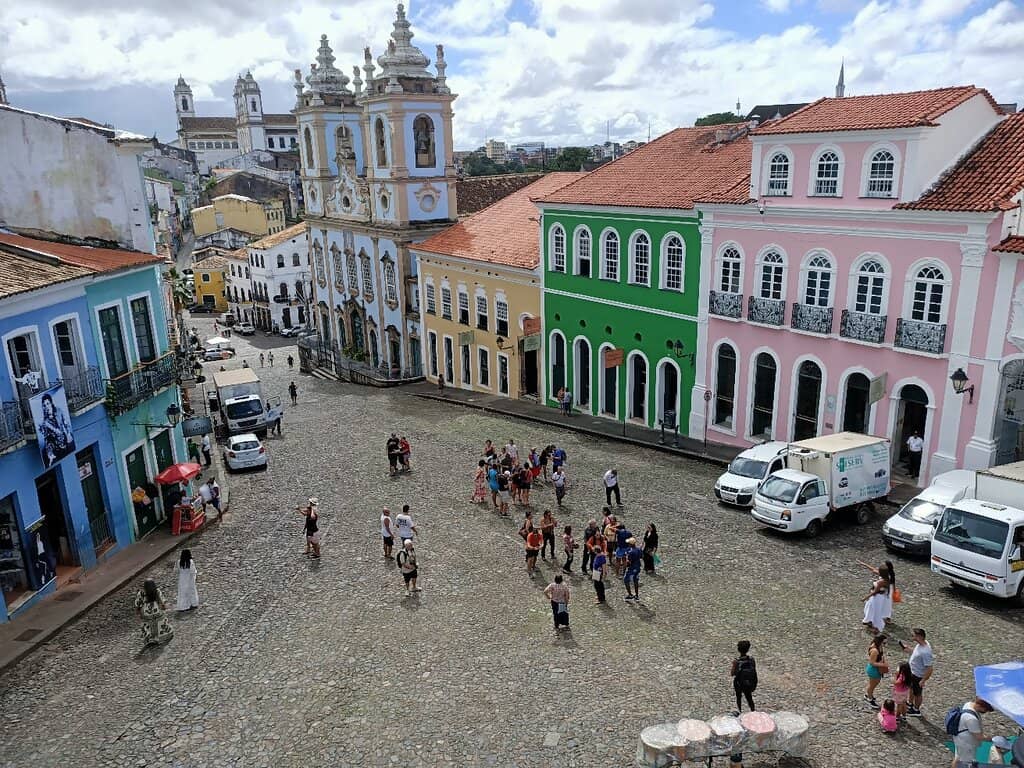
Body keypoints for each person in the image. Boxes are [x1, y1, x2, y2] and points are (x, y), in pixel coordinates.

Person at [898, 628, 933, 717]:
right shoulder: (921, 645)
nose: (912, 637)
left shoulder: (926, 652)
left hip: (918, 675)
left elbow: (929, 668)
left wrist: (923, 680)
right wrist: (909, 650)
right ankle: (910, 704)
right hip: (912, 672)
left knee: (918, 693)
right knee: (912, 689)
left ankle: (916, 710)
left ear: (919, 637)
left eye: (913, 635)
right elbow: (917, 654)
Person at [951, 698, 993, 768]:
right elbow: (979, 737)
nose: (985, 711)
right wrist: (992, 739)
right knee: (966, 763)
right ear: (980, 706)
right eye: (985, 709)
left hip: (959, 739)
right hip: (966, 744)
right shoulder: (971, 719)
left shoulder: (968, 704)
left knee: (958, 757)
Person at [135, 579, 174, 647]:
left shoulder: (141, 593)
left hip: (146, 614)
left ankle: (149, 638)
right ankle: (161, 636)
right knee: (161, 620)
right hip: (157, 613)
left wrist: (139, 614)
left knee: (146, 624)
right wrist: (165, 608)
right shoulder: (157, 591)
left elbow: (137, 605)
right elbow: (162, 602)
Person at [730, 640, 758, 714]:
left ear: (738, 649)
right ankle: (753, 711)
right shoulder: (752, 659)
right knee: (749, 698)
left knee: (738, 697)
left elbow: (732, 673)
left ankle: (740, 711)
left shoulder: (737, 661)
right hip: (748, 683)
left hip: (739, 683)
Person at [861, 564, 890, 634]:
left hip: (877, 598)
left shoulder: (881, 582)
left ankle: (874, 626)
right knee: (871, 608)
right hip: (880, 596)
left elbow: (875, 592)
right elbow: (873, 570)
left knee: (873, 609)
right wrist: (864, 564)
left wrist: (865, 598)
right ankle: (870, 621)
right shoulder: (887, 577)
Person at [864, 634, 888, 710]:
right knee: (872, 685)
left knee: (873, 684)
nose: (885, 645)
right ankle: (869, 699)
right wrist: (883, 664)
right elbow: (872, 662)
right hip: (874, 670)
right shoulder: (874, 650)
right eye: (884, 643)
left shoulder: (878, 646)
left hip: (876, 669)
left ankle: (869, 695)